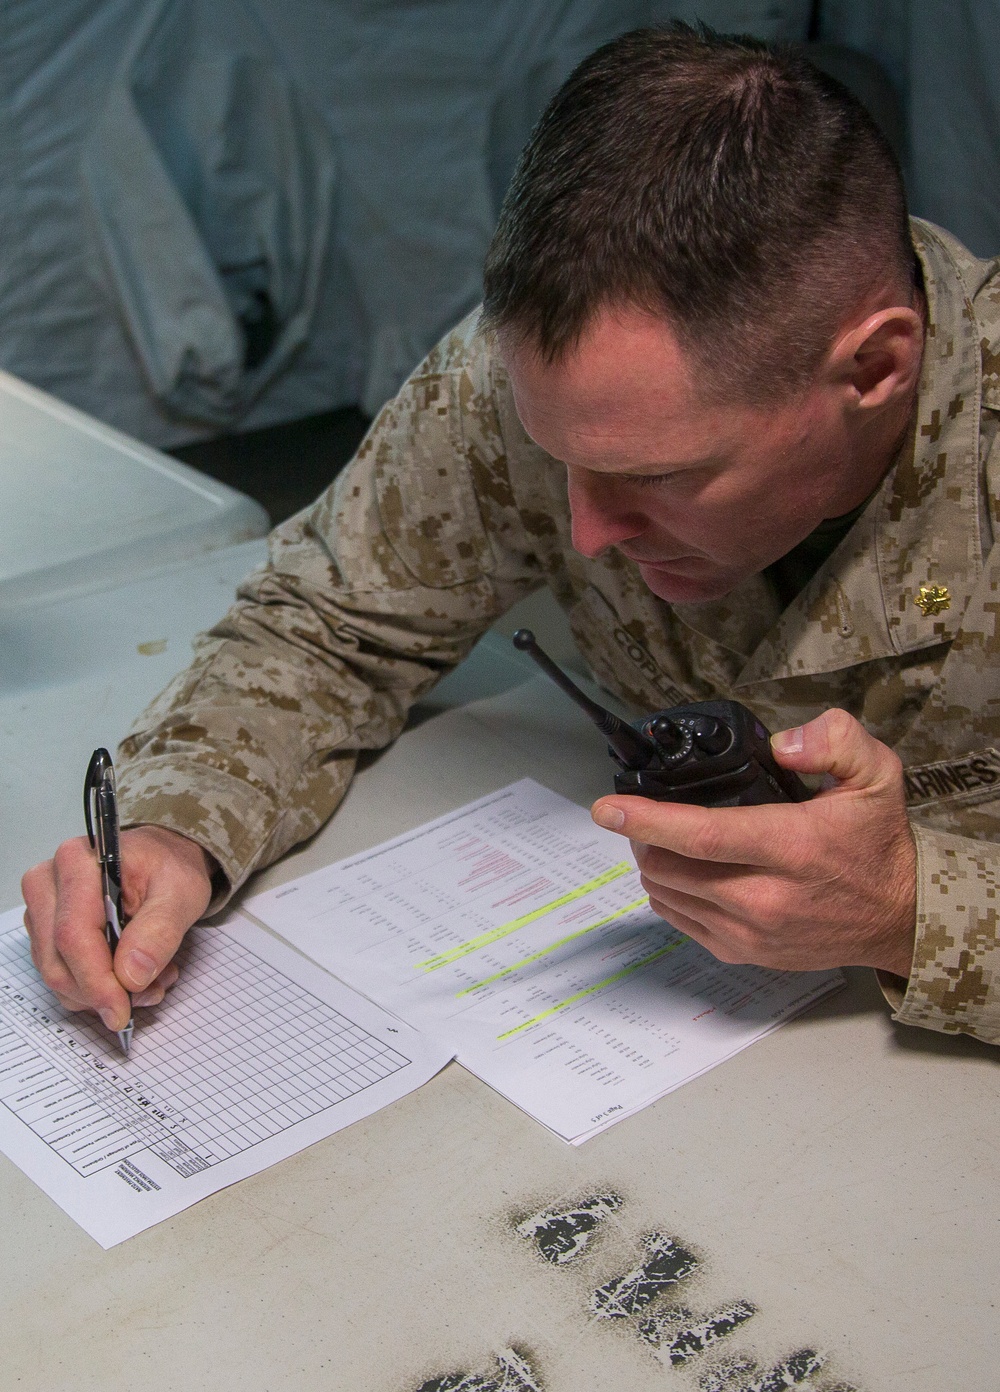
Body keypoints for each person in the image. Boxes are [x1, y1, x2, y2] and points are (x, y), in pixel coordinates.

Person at [21, 25, 1000, 1047]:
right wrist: (177, 824)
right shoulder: (550, 383)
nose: (583, 530)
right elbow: (329, 623)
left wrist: (909, 909)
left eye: (656, 478)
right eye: (558, 461)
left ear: (875, 368)